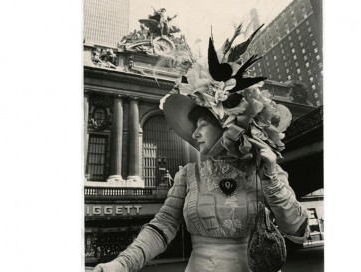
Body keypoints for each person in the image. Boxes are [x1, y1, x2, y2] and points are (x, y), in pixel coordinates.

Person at [94, 31, 309, 272]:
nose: (194, 134)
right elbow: (161, 227)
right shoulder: (188, 175)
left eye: (202, 125)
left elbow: (298, 231)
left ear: (225, 123)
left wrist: (270, 180)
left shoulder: (268, 171)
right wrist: (121, 264)